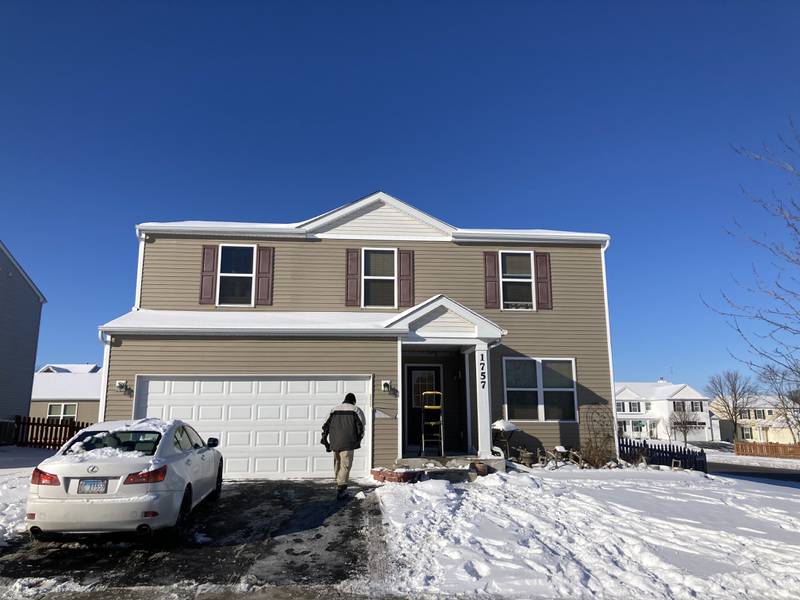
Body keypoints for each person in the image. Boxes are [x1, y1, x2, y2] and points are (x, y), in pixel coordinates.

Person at [321, 392, 365, 499]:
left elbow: (325, 426)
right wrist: (358, 440)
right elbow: (361, 427)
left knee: (337, 463)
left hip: (335, 442)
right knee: (345, 466)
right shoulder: (356, 409)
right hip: (348, 442)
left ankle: (339, 483)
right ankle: (341, 489)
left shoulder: (334, 409)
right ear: (353, 401)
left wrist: (325, 440)